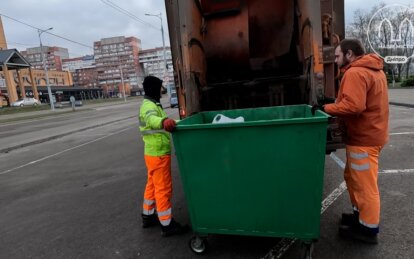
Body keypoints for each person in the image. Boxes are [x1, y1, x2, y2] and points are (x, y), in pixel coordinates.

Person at [318, 39, 389, 244]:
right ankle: (360, 216)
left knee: (365, 185)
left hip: (364, 139)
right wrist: (333, 103)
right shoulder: (373, 69)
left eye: (338, 56)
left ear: (349, 54)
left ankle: (368, 230)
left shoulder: (356, 72)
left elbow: (354, 106)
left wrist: (326, 108)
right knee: (353, 178)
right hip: (370, 135)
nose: (336, 60)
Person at [139, 75, 189, 237]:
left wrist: (180, 122)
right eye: (159, 88)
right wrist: (163, 122)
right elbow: (152, 119)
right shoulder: (149, 106)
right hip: (159, 153)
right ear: (153, 88)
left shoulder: (151, 103)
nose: (161, 92)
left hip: (152, 153)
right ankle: (167, 224)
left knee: (152, 185)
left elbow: (159, 119)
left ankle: (147, 215)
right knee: (163, 188)